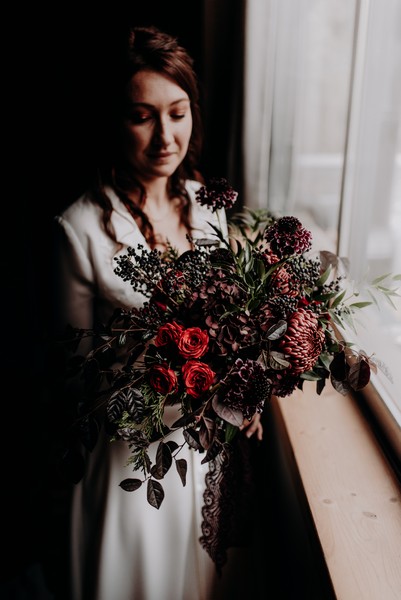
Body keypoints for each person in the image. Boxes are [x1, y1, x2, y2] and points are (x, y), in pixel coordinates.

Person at [52, 24, 263, 600]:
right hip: (130, 463)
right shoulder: (80, 230)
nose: (164, 137)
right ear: (113, 120)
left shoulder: (207, 209)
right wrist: (162, 379)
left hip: (199, 458)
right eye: (141, 116)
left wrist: (242, 386)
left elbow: (233, 329)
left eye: (177, 112)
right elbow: (74, 378)